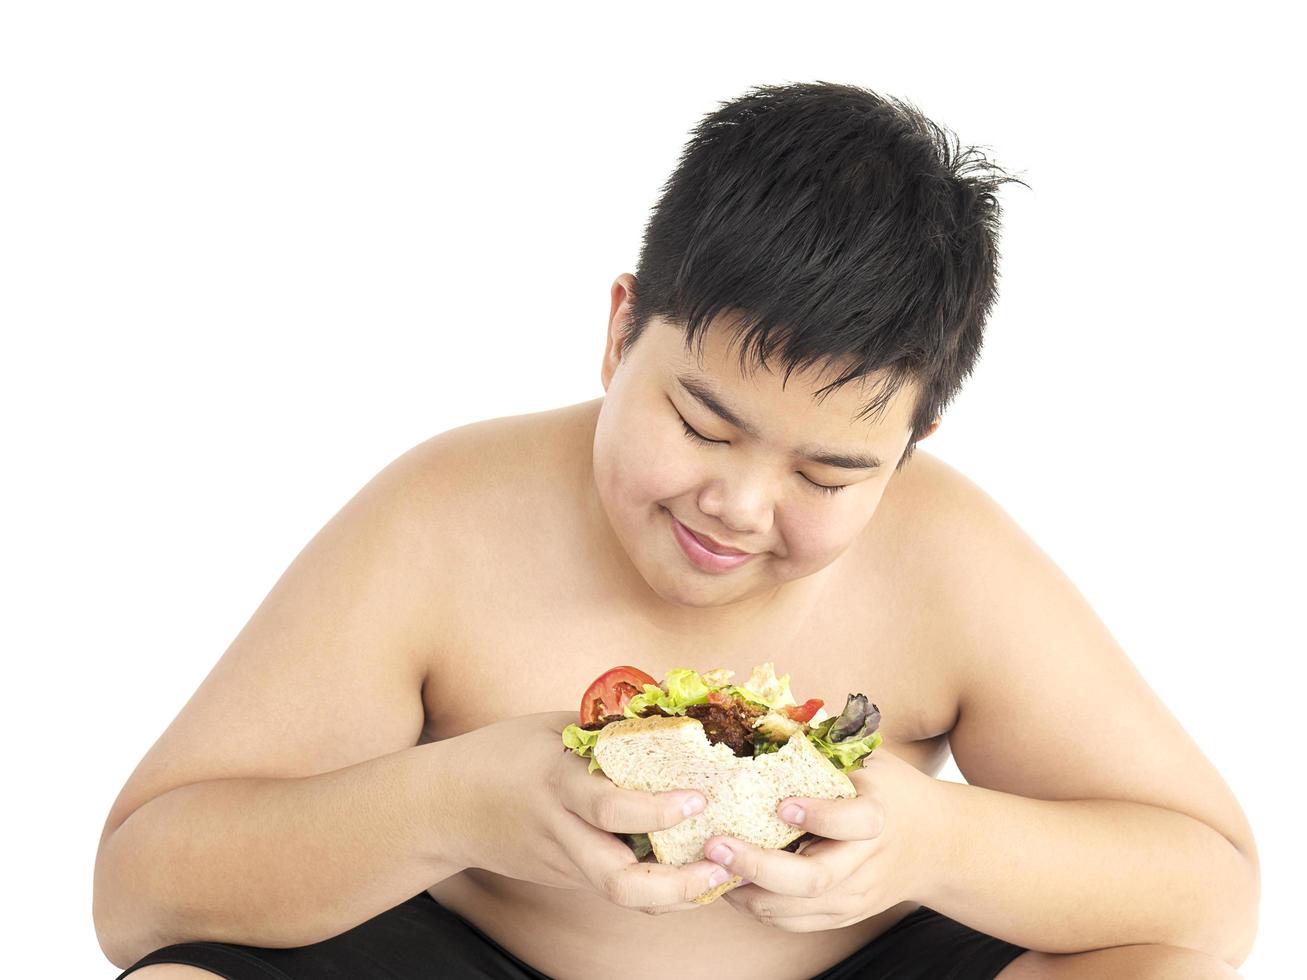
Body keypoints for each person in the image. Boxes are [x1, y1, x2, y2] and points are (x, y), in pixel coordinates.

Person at [93, 81, 1257, 980]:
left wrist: (935, 841)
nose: (739, 507)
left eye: (829, 469)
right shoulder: (444, 516)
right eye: (701, 423)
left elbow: (1209, 895)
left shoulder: (949, 559)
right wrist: (455, 799)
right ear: (618, 334)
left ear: (909, 446)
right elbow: (140, 890)